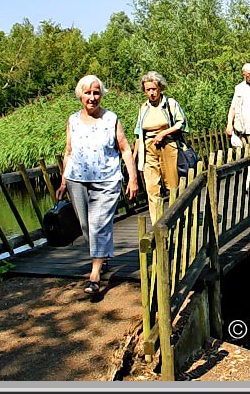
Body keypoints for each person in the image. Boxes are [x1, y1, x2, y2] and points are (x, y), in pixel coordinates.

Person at [56, 75, 137, 295]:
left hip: (107, 179)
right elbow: (68, 152)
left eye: (96, 93)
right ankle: (102, 258)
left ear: (101, 94)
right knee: (86, 226)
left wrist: (132, 178)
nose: (92, 98)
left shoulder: (111, 119)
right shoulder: (73, 120)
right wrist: (63, 181)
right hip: (77, 179)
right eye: (88, 93)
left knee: (99, 223)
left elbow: (125, 149)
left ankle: (94, 275)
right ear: (80, 95)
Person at [133, 71, 189, 224]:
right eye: (148, 89)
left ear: (160, 88)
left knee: (172, 186)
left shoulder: (170, 104)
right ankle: (157, 222)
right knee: (152, 188)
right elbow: (139, 132)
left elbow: (181, 123)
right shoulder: (143, 108)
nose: (151, 93)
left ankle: (175, 218)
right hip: (148, 150)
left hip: (168, 147)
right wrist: (133, 158)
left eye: (154, 89)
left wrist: (163, 133)